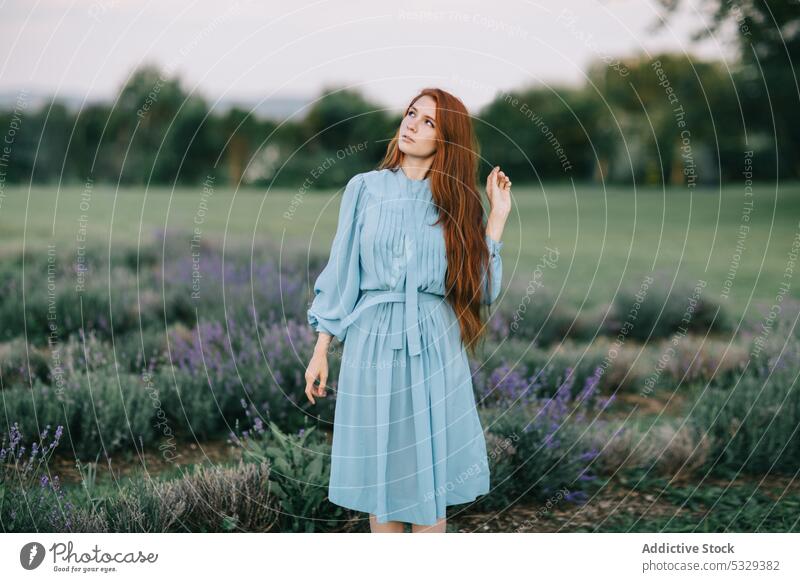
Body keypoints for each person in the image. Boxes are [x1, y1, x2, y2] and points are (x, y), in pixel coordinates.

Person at [305, 88, 511, 533]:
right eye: (412, 114)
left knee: (429, 480)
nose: (413, 125)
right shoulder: (364, 189)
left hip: (434, 344)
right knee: (383, 478)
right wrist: (322, 347)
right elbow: (342, 272)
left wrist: (497, 218)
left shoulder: (458, 203)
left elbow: (483, 289)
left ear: (446, 139)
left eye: (429, 122)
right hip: (372, 342)